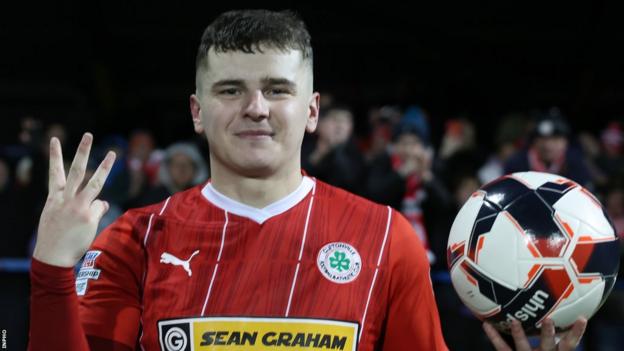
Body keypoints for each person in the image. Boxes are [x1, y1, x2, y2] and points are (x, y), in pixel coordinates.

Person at [28, 9, 586, 351]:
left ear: (312, 109)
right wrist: (52, 269)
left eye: (277, 89)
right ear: (197, 112)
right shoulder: (136, 240)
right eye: (230, 90)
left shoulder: (387, 240)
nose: (255, 108)